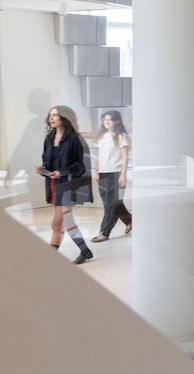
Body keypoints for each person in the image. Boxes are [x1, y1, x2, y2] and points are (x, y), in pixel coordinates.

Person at [37, 105, 94, 264]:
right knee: (65, 221)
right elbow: (46, 160)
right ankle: (85, 251)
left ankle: (51, 257)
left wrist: (62, 172)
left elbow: (81, 165)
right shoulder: (49, 138)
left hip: (70, 184)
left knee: (58, 223)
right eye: (50, 115)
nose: (51, 118)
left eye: (55, 115)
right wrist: (44, 169)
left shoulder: (75, 138)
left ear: (64, 117)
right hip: (54, 185)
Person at [91, 110, 132, 242]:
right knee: (113, 203)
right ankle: (130, 221)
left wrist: (123, 174)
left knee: (111, 204)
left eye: (110, 119)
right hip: (102, 174)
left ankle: (104, 232)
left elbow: (125, 156)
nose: (106, 122)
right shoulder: (101, 136)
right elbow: (98, 156)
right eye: (104, 120)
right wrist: (96, 171)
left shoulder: (121, 135)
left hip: (116, 173)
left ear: (117, 121)